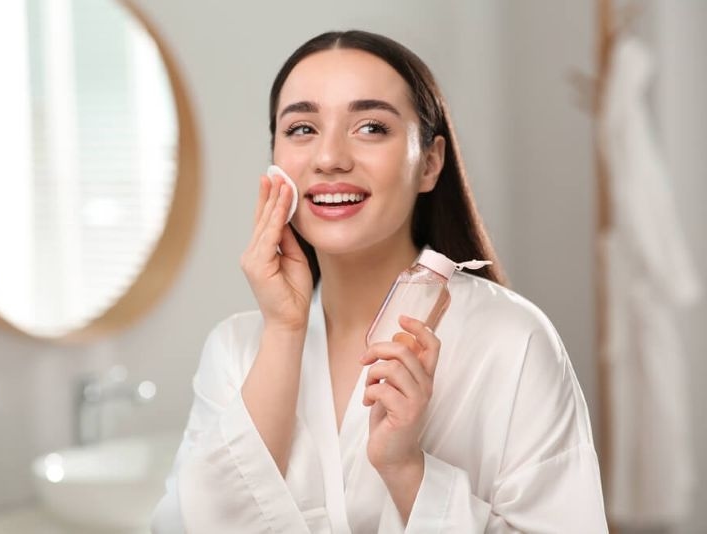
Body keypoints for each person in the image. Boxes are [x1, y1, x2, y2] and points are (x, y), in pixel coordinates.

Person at [152, 30, 608, 533]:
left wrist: (406, 470)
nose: (329, 158)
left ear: (430, 163)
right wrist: (284, 329)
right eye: (302, 128)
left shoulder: (512, 339)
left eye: (370, 127)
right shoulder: (235, 349)